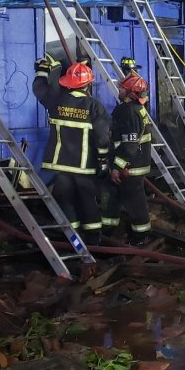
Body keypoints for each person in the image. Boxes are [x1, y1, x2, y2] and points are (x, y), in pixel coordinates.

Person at [32, 58, 111, 246]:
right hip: (84, 168)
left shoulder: (56, 101)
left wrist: (42, 70)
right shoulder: (94, 107)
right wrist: (103, 160)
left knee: (66, 201)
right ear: (88, 84)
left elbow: (39, 89)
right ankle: (92, 241)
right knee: (88, 202)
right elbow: (102, 138)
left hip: (60, 166)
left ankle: (72, 238)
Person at [107, 73, 154, 245]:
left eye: (123, 89)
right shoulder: (134, 109)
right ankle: (119, 232)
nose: (119, 90)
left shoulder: (130, 112)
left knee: (135, 202)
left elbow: (130, 145)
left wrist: (117, 167)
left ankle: (140, 236)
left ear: (132, 94)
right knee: (127, 199)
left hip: (130, 166)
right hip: (132, 164)